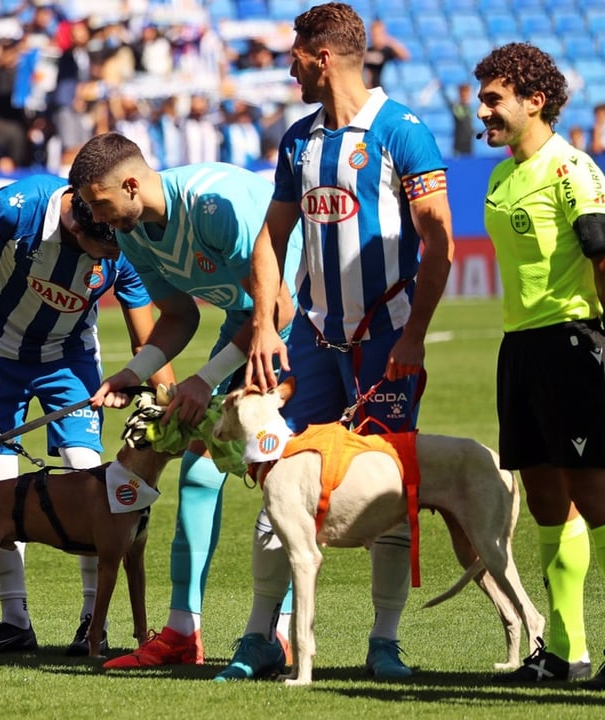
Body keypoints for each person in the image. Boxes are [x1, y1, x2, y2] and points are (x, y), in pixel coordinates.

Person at [240, 2, 453, 681]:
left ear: (321, 56)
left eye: (295, 55)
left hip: (385, 342)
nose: (289, 68)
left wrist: (414, 335)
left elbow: (438, 241)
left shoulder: (402, 132)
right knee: (279, 479)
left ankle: (383, 643)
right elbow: (271, 238)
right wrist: (266, 323)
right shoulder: (297, 140)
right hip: (311, 340)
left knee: (389, 490)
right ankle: (259, 637)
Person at [0, 175, 174, 656]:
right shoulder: (19, 208)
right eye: (98, 248)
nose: (104, 261)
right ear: (77, 219)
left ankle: (93, 622)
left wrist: (169, 397)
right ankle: (14, 619)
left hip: (69, 360)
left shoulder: (123, 243)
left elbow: (147, 339)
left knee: (89, 475)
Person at [68, 131, 303, 669]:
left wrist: (203, 379)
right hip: (248, 329)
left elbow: (281, 311)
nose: (95, 216)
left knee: (280, 476)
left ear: (130, 184)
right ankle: (182, 633)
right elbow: (180, 317)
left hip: (306, 329)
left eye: (98, 201)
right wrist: (133, 372)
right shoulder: (131, 234)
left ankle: (284, 631)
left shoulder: (211, 204)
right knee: (200, 474)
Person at [473, 42, 605, 687]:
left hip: (573, 345)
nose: (483, 110)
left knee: (596, 498)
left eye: (494, 99)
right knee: (551, 504)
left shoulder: (571, 169)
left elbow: (603, 258)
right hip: (519, 348)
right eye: (483, 99)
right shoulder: (500, 175)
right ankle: (566, 653)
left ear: (536, 101)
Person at [363, 18, 409, 90]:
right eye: (374, 33)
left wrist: (388, 40)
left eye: (379, 33)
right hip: (366, 89)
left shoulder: (387, 51)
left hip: (380, 89)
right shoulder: (367, 51)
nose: (376, 36)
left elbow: (405, 56)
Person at [447, 82, 475, 157]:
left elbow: (469, 128)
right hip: (458, 145)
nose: (468, 97)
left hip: (468, 144)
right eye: (465, 95)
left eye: (469, 95)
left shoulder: (469, 109)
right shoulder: (457, 108)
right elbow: (464, 124)